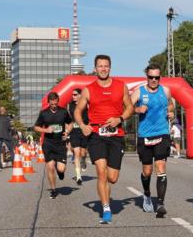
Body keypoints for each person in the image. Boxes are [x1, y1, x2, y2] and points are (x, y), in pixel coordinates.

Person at [75, 54, 133, 224]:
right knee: (101, 170)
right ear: (95, 68)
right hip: (96, 135)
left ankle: (105, 191)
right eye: (100, 66)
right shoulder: (88, 89)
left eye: (106, 66)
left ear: (110, 67)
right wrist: (83, 125)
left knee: (112, 177)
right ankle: (106, 207)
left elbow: (129, 107)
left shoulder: (120, 86)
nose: (103, 69)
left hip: (116, 135)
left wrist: (120, 119)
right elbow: (78, 111)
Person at [132, 63, 175, 218]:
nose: (154, 80)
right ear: (147, 77)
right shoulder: (139, 92)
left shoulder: (165, 91)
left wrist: (171, 113)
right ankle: (147, 194)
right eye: (151, 77)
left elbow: (170, 104)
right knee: (147, 171)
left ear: (160, 77)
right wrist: (137, 110)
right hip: (145, 136)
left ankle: (161, 204)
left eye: (157, 77)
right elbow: (127, 109)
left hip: (162, 134)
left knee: (161, 167)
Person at [34, 92, 72, 199]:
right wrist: (45, 129)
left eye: (55, 104)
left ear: (58, 101)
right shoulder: (44, 113)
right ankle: (53, 189)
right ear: (48, 102)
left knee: (61, 169)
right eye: (52, 104)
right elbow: (36, 127)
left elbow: (71, 123)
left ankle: (60, 172)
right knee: (50, 167)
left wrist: (67, 132)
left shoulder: (63, 112)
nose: (54, 106)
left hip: (60, 144)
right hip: (48, 143)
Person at [67, 88, 89, 185]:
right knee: (76, 153)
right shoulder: (69, 105)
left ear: (80, 95)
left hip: (84, 130)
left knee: (83, 153)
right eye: (72, 95)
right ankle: (78, 177)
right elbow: (68, 120)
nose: (73, 96)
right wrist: (67, 132)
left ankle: (83, 160)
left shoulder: (86, 104)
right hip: (74, 131)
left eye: (75, 94)